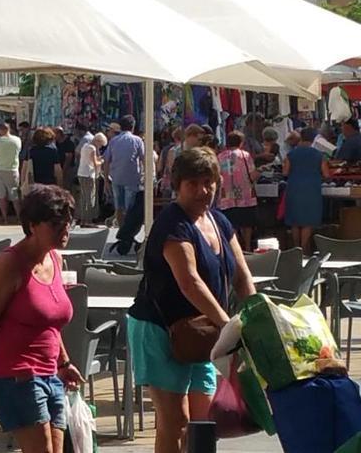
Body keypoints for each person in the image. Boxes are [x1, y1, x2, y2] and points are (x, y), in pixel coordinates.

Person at [127, 147, 256, 453]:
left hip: (204, 334)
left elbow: (242, 277)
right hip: (159, 330)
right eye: (192, 184)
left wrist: (257, 316)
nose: (202, 190)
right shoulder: (172, 224)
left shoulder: (219, 222)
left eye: (208, 182)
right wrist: (227, 325)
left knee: (203, 422)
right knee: (176, 421)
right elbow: (189, 282)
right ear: (178, 185)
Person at [0, 185, 83, 453]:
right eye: (56, 223)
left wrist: (64, 362)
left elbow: (50, 325)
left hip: (51, 375)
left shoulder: (55, 260)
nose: (65, 230)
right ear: (32, 225)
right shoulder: (9, 264)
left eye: (69, 222)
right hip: (16, 377)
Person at [284, 127, 330, 254]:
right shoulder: (319, 155)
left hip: (294, 187)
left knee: (295, 220)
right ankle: (304, 250)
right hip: (311, 189)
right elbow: (326, 174)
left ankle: (296, 248)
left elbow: (285, 172)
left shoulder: (291, 154)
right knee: (307, 220)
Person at [217, 132, 259, 251]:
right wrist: (260, 171)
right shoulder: (245, 155)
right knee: (246, 223)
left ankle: (235, 248)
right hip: (245, 195)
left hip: (227, 196)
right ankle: (247, 246)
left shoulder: (220, 157)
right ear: (241, 142)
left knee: (231, 224)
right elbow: (252, 175)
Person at [103, 115, 145, 227]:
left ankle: (121, 230)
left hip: (116, 178)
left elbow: (106, 161)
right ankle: (128, 231)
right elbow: (144, 158)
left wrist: (106, 179)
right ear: (133, 127)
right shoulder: (137, 140)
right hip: (132, 178)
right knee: (129, 207)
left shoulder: (113, 141)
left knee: (119, 208)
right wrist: (146, 176)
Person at [0, 122, 23, 224]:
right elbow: (19, 151)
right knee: (15, 196)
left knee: (1, 196)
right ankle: (19, 217)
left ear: (1, 130)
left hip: (0, 170)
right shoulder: (17, 140)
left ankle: (5, 218)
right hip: (13, 169)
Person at [77, 133, 107, 227]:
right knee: (90, 197)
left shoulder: (85, 146)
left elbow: (88, 160)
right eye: (101, 144)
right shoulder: (92, 148)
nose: (100, 147)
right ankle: (88, 220)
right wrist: (102, 161)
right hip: (89, 175)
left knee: (84, 197)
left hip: (81, 173)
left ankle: (83, 219)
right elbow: (95, 163)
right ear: (98, 141)